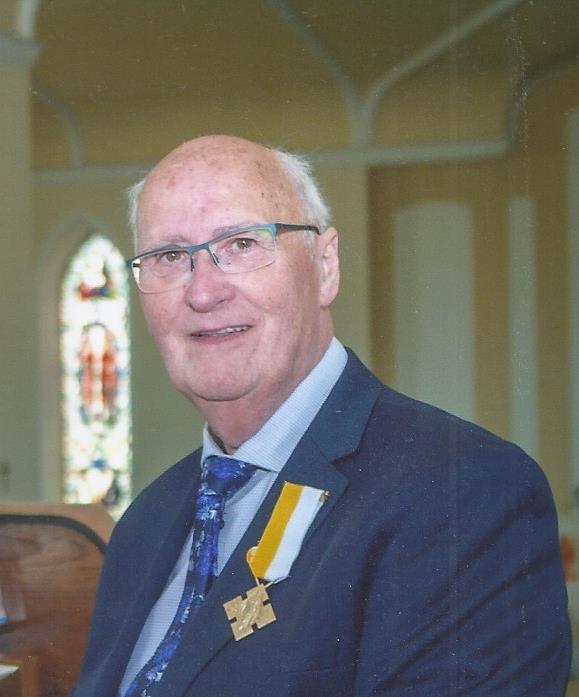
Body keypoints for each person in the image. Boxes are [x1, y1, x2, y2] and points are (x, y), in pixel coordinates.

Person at [72, 135, 570, 697]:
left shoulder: (464, 492)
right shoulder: (146, 522)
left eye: (241, 244)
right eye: (168, 256)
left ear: (326, 267)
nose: (203, 291)